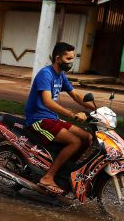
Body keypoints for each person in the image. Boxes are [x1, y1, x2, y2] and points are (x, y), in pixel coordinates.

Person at [24, 42, 96, 195]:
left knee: (87, 137)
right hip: (38, 120)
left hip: (52, 118)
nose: (71, 62)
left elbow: (76, 95)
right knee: (74, 141)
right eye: (68, 59)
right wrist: (72, 114)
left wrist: (96, 109)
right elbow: (47, 101)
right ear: (58, 58)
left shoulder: (61, 76)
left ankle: (64, 170)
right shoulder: (46, 74)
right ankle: (48, 177)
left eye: (72, 59)